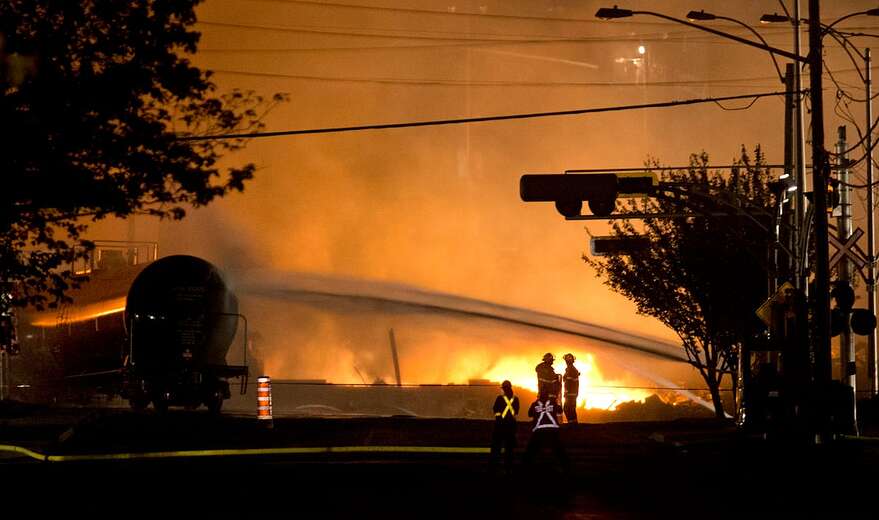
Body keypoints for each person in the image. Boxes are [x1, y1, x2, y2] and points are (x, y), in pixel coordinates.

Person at [524, 390, 569, 472]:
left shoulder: (535, 404)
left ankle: (525, 468)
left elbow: (529, 414)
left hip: (539, 432)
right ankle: (567, 468)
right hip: (552, 431)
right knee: (560, 451)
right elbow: (560, 410)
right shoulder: (552, 403)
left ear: (539, 395)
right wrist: (555, 402)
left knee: (530, 451)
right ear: (547, 396)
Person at [490, 380, 519, 474]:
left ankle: (494, 467)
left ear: (504, 389)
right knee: (509, 449)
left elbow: (495, 410)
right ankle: (508, 468)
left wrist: (499, 418)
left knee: (496, 448)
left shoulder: (499, 398)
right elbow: (516, 412)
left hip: (500, 426)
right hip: (511, 426)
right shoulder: (516, 399)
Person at [562, 353, 580, 424]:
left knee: (568, 409)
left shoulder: (571, 369)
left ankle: (572, 424)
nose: (566, 361)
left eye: (568, 360)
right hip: (572, 393)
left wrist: (566, 392)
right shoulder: (570, 369)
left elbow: (569, 382)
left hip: (570, 394)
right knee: (570, 409)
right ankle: (573, 424)